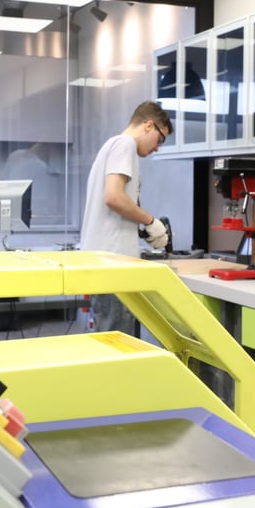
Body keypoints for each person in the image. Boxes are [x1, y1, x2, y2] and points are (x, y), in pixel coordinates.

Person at [80, 101, 172, 335]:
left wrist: (142, 229)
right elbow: (114, 197)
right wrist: (150, 221)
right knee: (118, 342)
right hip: (113, 265)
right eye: (160, 139)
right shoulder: (125, 144)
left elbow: (116, 205)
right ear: (148, 126)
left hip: (103, 262)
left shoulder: (112, 146)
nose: (157, 148)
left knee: (109, 338)